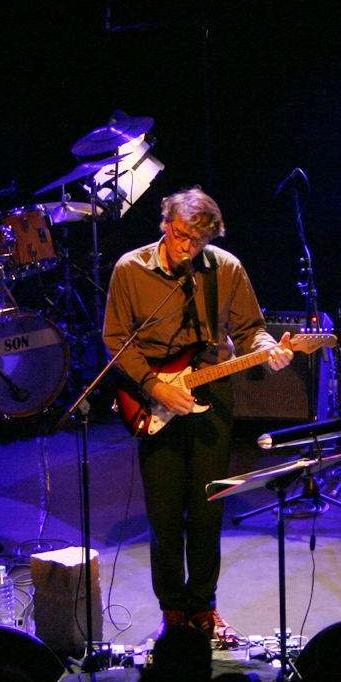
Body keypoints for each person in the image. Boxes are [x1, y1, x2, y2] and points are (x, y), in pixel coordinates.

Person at [103, 188, 294, 647]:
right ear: (166, 223)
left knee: (208, 509)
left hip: (213, 392)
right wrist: (154, 387)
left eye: (198, 240)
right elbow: (115, 339)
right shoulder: (130, 268)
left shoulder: (225, 268)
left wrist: (270, 351)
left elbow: (251, 330)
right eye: (181, 235)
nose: (187, 247)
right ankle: (173, 610)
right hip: (153, 397)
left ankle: (204, 606)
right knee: (164, 513)